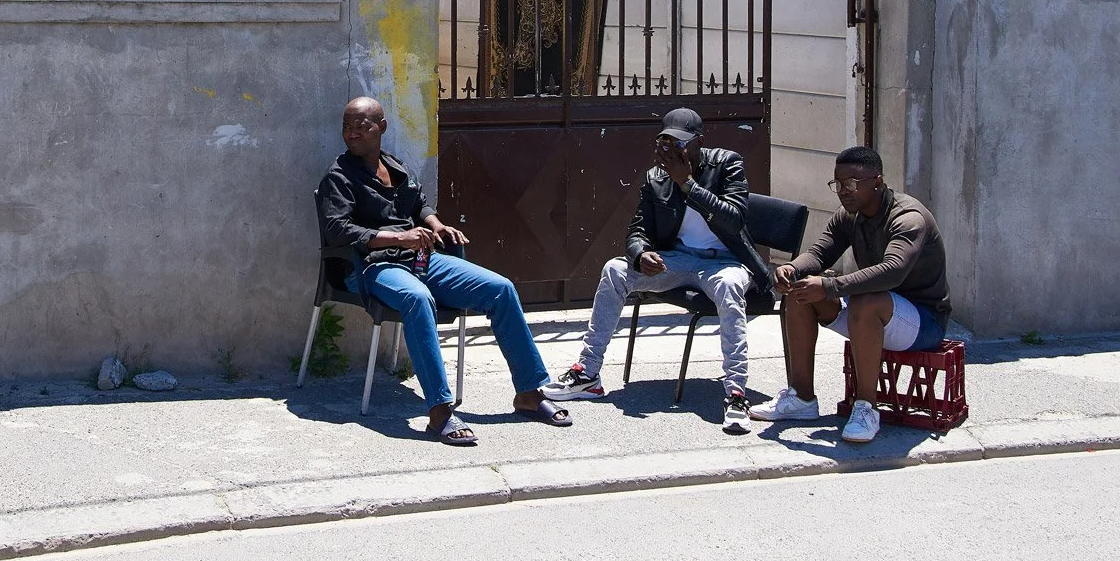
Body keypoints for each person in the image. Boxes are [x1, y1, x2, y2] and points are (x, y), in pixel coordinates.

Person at [313, 96, 571, 446]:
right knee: (418, 299)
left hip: (420, 259)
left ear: (381, 127)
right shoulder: (339, 176)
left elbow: (419, 203)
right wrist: (399, 237)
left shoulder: (394, 166)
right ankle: (440, 412)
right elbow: (337, 229)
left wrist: (436, 225)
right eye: (347, 127)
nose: (352, 133)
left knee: (501, 289)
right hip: (374, 266)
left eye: (361, 126)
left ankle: (528, 392)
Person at [541, 107, 776, 431]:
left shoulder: (727, 164)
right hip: (678, 259)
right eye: (666, 143)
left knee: (729, 286)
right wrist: (641, 255)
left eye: (680, 143)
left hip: (725, 260)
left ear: (699, 142)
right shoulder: (657, 177)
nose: (673, 150)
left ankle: (736, 393)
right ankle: (588, 373)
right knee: (615, 270)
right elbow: (637, 230)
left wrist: (688, 185)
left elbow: (734, 220)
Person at [764, 146, 951, 445]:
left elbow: (892, 271)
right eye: (837, 183)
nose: (842, 191)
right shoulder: (848, 216)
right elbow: (820, 253)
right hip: (872, 316)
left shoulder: (908, 218)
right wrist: (792, 268)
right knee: (800, 292)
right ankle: (801, 399)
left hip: (923, 322)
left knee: (866, 300)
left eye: (850, 183)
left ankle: (866, 409)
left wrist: (829, 287)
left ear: (877, 182)